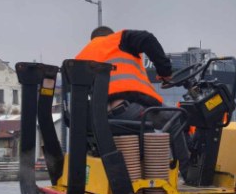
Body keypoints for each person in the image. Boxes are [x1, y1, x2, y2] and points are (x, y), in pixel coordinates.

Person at [75, 26, 191, 177]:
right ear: (110, 35)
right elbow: (147, 39)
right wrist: (165, 71)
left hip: (99, 119)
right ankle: (189, 173)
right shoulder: (117, 40)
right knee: (176, 118)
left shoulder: (81, 56)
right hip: (127, 110)